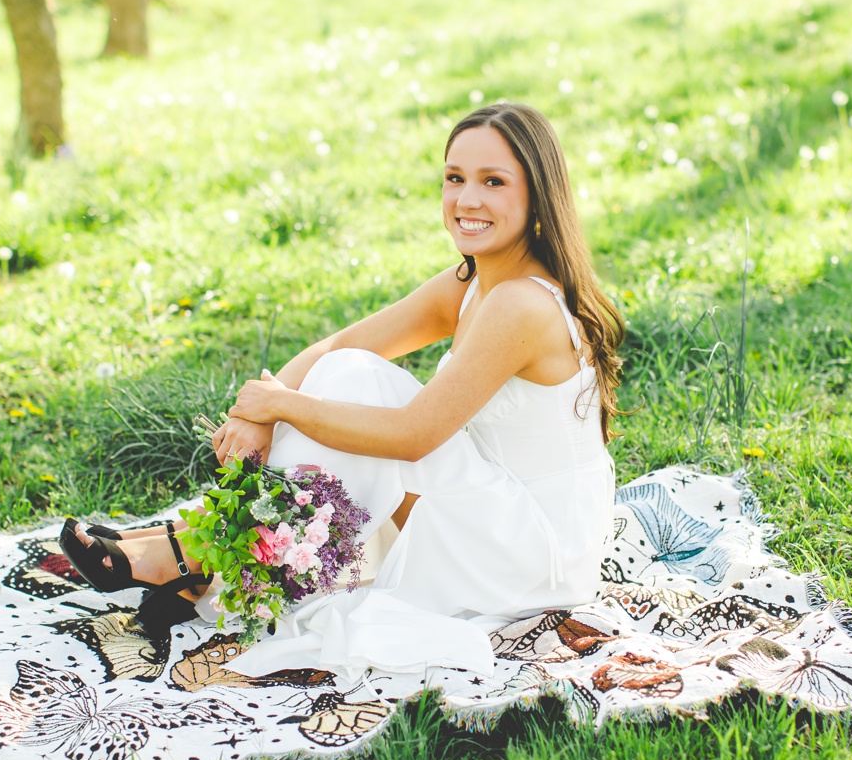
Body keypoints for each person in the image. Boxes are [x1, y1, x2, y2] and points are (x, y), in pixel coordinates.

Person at [59, 102, 625, 682]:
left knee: (360, 386)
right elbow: (340, 345)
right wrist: (262, 405)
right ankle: (195, 542)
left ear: (538, 196)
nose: (467, 200)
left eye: (494, 182)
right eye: (454, 178)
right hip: (490, 507)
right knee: (349, 370)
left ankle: (194, 552)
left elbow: (413, 437)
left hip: (533, 553)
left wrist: (281, 405)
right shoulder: (473, 282)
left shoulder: (520, 304)